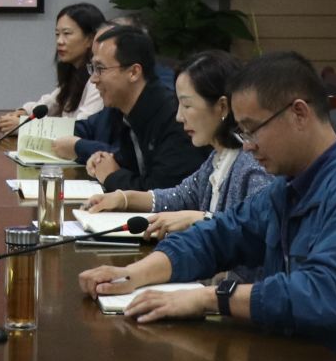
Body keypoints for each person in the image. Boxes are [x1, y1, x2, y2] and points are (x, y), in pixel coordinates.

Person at [76, 51, 336, 361]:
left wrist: (209, 298)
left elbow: (323, 295)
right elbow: (219, 235)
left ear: (299, 114)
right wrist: (133, 275)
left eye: (251, 130)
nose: (247, 147)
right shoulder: (290, 186)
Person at [85, 48, 270, 234]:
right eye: (179, 104)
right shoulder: (218, 157)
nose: (179, 117)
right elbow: (181, 197)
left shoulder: (251, 164)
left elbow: (259, 229)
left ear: (222, 106)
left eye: (187, 105)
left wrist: (199, 219)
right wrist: (124, 199)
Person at [76, 25, 207, 192]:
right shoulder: (126, 110)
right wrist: (104, 161)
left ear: (134, 72)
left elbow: (161, 193)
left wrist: (112, 176)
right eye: (93, 69)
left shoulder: (174, 117)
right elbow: (131, 166)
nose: (93, 79)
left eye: (100, 69)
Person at [11, 3, 105, 124]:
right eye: (57, 34)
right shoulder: (74, 73)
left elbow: (82, 126)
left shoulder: (98, 78)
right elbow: (52, 103)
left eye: (67, 33)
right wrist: (25, 112)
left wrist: (25, 125)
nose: (59, 41)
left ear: (90, 39)